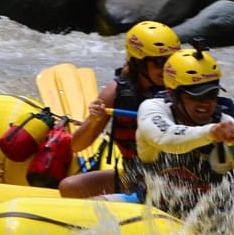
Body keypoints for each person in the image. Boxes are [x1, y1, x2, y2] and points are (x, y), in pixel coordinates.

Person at [135, 45, 234, 235]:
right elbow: (166, 140)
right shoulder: (153, 111)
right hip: (151, 213)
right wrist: (210, 133)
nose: (206, 103)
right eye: (195, 95)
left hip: (211, 228)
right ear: (172, 92)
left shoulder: (231, 131)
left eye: (212, 94)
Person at [58, 21, 181, 198]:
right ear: (138, 62)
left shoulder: (181, 91)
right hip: (135, 175)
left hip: (173, 180)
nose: (167, 68)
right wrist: (93, 121)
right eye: (160, 61)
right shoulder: (116, 92)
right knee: (69, 187)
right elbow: (77, 145)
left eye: (172, 61)